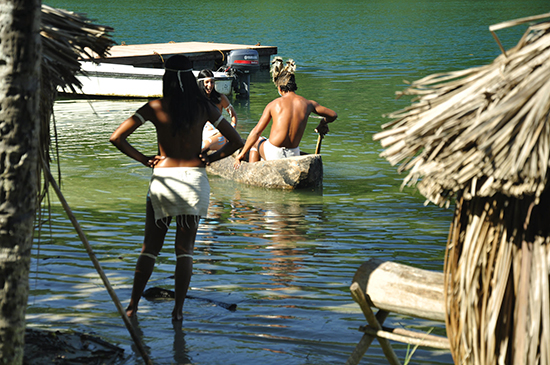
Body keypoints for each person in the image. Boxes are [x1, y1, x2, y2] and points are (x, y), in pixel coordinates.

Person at [109, 55, 243, 321]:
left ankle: (132, 306)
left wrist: (145, 159)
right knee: (185, 251)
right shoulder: (203, 107)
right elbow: (235, 140)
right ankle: (178, 312)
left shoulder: (156, 106)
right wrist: (211, 157)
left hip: (164, 180)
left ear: (167, 78)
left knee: (150, 248)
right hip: (194, 180)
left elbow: (117, 137)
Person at [234, 57, 337, 167]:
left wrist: (242, 154)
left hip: (274, 153)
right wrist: (323, 123)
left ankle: (253, 172)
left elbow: (256, 132)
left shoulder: (274, 104)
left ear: (279, 88)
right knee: (264, 141)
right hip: (293, 154)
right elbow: (333, 115)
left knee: (256, 142)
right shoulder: (308, 104)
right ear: (294, 86)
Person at [198, 69, 238, 152]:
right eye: (207, 82)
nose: (210, 85)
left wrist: (230, 133)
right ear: (201, 83)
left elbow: (233, 116)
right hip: (201, 133)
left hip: (218, 134)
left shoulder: (220, 98)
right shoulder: (195, 100)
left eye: (212, 82)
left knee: (202, 147)